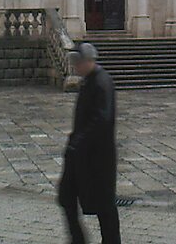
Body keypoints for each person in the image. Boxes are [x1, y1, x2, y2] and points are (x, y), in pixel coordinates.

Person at [58, 43, 120, 244]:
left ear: (87, 61)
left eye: (78, 62)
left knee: (105, 207)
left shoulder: (103, 82)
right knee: (66, 195)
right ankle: (78, 240)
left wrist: (79, 141)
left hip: (97, 158)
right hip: (80, 154)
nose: (75, 67)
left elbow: (102, 119)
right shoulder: (88, 81)